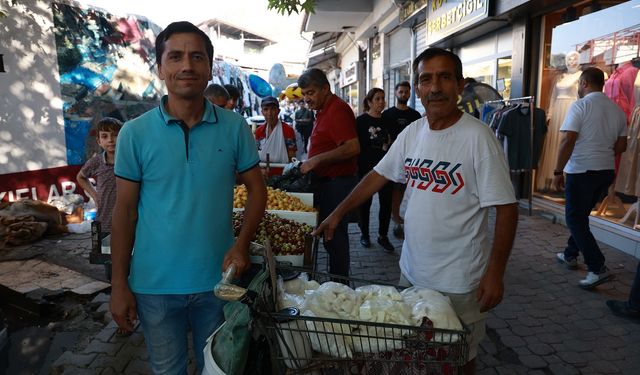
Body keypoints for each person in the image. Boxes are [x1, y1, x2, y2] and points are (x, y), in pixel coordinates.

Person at [313, 48, 518, 374]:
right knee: (416, 349)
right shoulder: (413, 133)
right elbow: (378, 176)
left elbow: (506, 208)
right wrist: (338, 213)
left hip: (459, 281)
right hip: (411, 272)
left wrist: (495, 272)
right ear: (418, 88)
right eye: (426, 79)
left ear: (459, 85)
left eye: (444, 77)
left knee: (459, 356)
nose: (435, 87)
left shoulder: (479, 138)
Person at [109, 21, 266, 374]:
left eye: (197, 57)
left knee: (218, 370)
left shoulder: (234, 126)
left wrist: (241, 246)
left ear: (210, 68)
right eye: (175, 56)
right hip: (155, 286)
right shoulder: (134, 134)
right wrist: (119, 284)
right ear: (161, 68)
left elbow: (258, 190)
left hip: (218, 283)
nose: (187, 66)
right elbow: (125, 212)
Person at [553, 67, 627, 289]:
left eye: (579, 83)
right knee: (581, 216)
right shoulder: (617, 110)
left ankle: (597, 267)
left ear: (584, 82)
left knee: (575, 219)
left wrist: (557, 171)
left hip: (582, 170)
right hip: (605, 171)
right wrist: (601, 154)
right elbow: (621, 146)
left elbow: (568, 140)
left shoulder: (580, 106)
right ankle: (570, 254)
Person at [298, 68, 359, 277]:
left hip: (337, 183)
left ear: (325, 89)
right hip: (326, 183)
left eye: (311, 93)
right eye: (304, 94)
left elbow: (352, 147)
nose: (307, 99)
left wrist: (317, 160)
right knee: (330, 235)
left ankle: (340, 286)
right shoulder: (323, 110)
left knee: (335, 236)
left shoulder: (337, 109)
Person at [381, 81, 422, 238]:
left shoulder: (415, 115)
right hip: (392, 158)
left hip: (412, 158)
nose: (404, 94)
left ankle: (405, 217)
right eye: (401, 91)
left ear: (410, 93)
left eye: (406, 92)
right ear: (396, 93)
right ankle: (395, 216)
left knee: (406, 188)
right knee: (394, 189)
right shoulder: (387, 114)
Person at [356, 88, 394, 252]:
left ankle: (383, 236)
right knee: (365, 203)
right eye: (377, 99)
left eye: (383, 98)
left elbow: (393, 143)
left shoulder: (388, 120)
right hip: (366, 169)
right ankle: (365, 234)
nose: (381, 102)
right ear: (369, 102)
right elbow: (356, 146)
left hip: (386, 168)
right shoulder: (361, 121)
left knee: (386, 204)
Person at [76, 117, 122, 234]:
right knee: (105, 248)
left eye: (115, 135)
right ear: (99, 141)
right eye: (105, 136)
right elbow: (81, 177)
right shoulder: (97, 161)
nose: (111, 140)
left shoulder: (130, 160)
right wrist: (95, 196)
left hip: (128, 217)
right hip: (105, 219)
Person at [254, 96, 297, 164]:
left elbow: (292, 157)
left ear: (278, 111)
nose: (269, 113)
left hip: (283, 172)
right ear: (262, 112)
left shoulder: (288, 130)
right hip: (263, 172)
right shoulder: (259, 132)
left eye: (273, 109)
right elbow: (256, 155)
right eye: (266, 109)